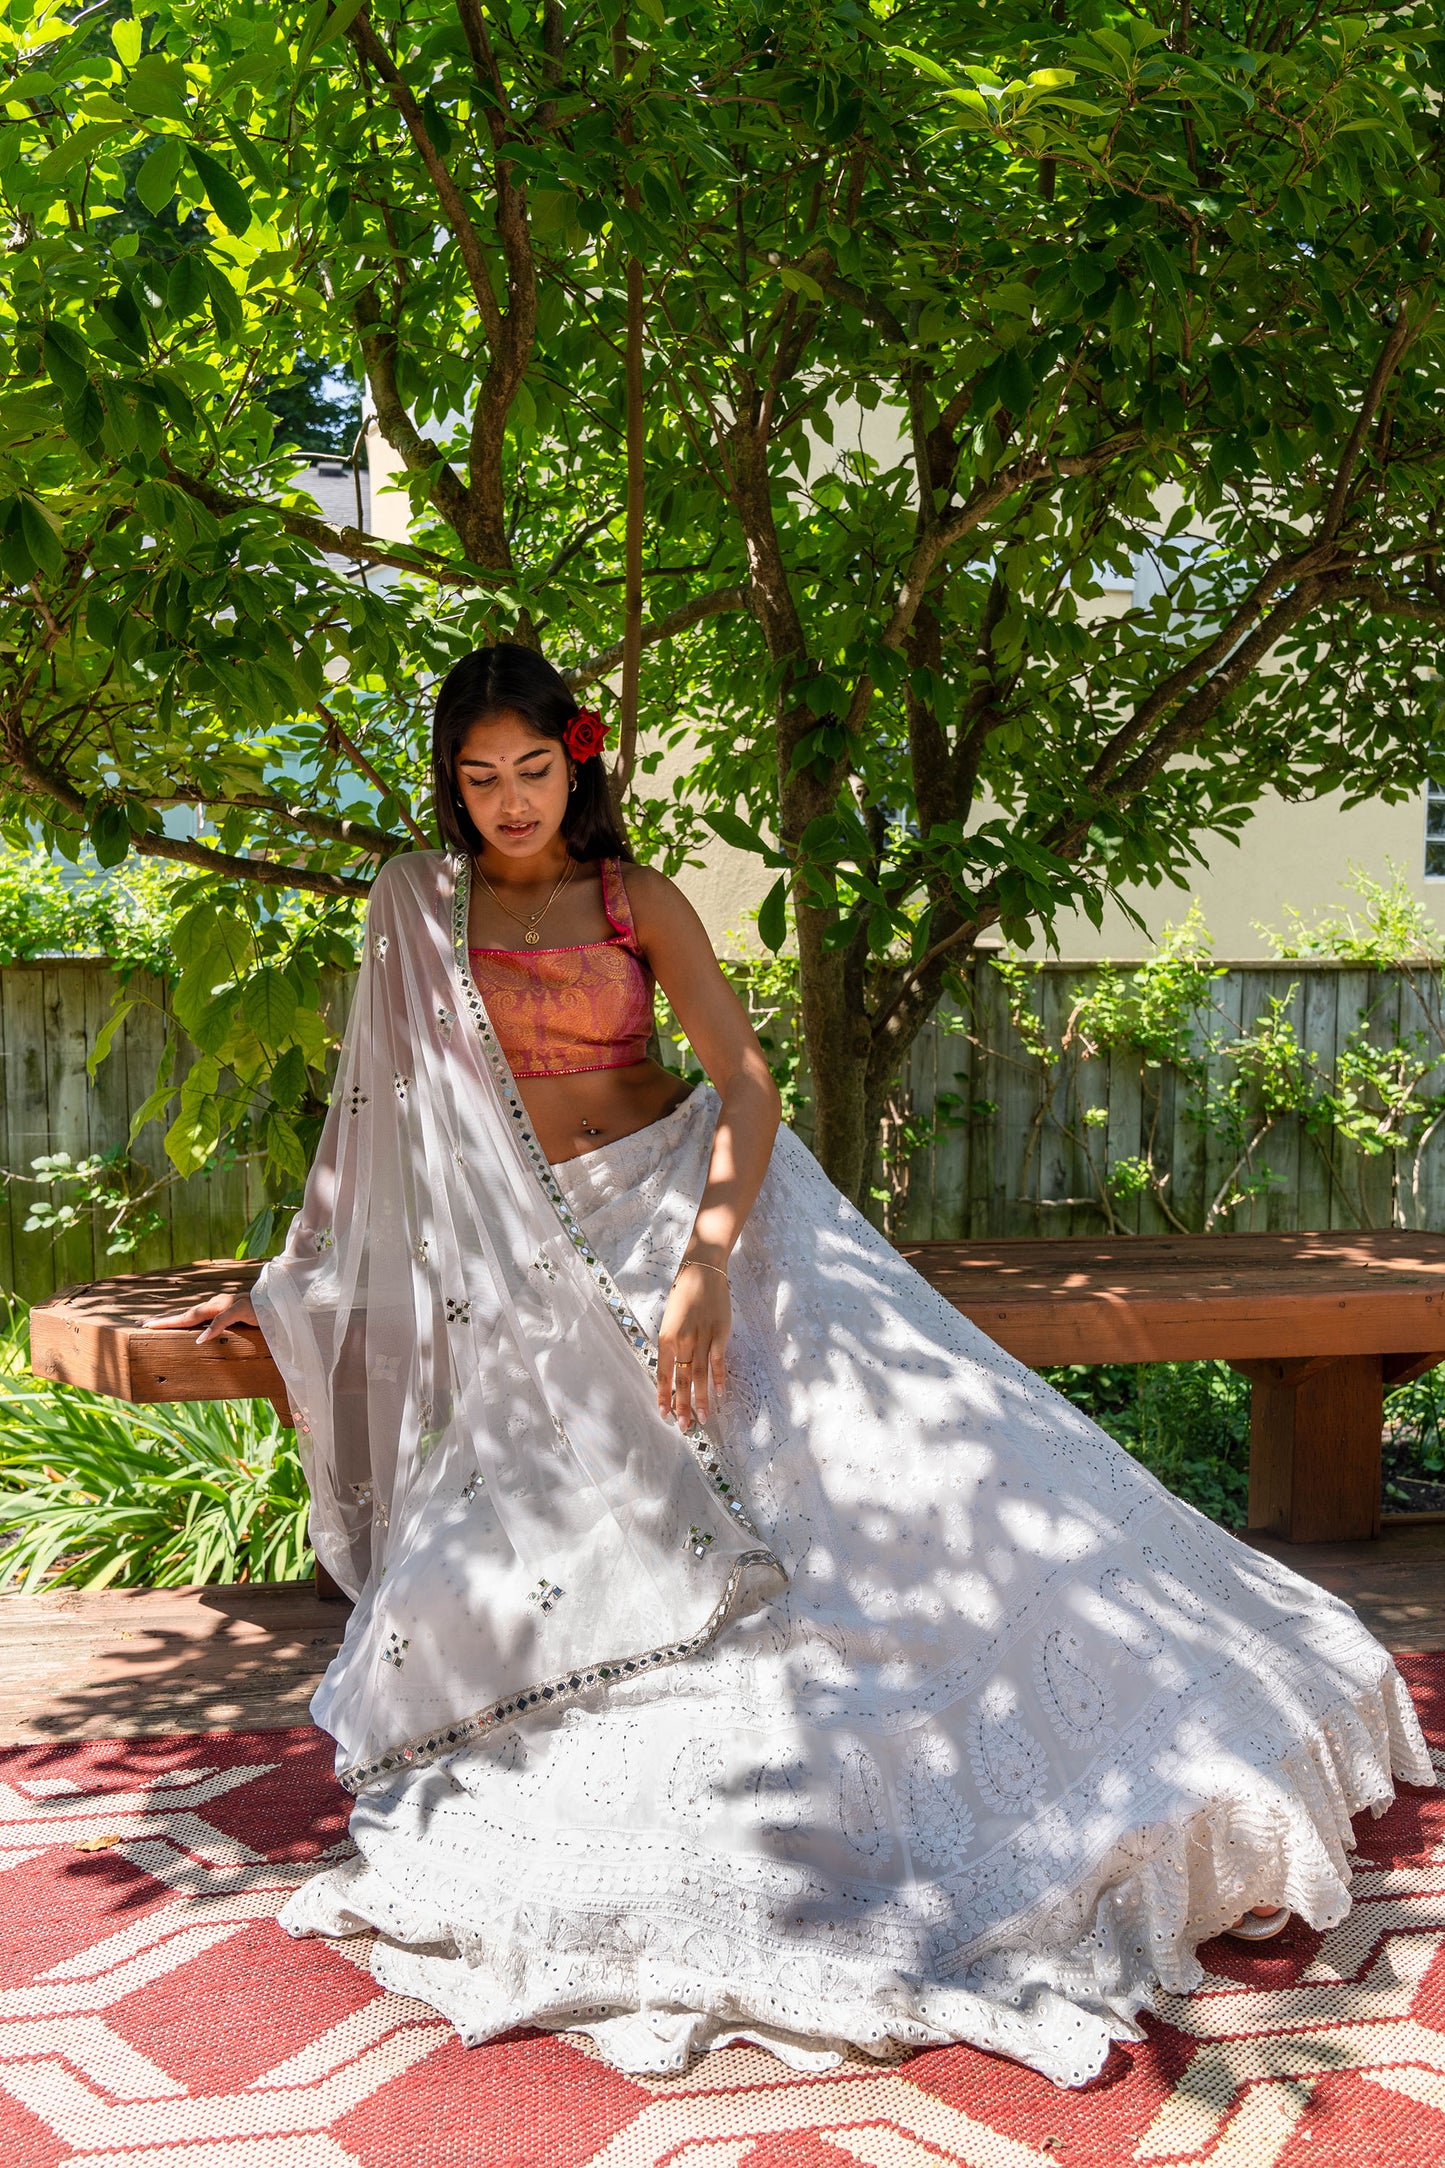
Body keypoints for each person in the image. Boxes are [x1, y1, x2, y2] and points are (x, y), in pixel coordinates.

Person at [158, 643, 1432, 2085]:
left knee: (880, 1469)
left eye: (533, 770)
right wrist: (299, 1278)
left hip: (696, 1205)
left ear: (577, 762)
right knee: (552, 1559)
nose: (511, 802)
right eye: (480, 776)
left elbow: (746, 1083)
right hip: (539, 1253)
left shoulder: (636, 899)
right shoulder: (418, 904)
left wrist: (704, 1263)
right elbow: (376, 1118)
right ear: (450, 786)